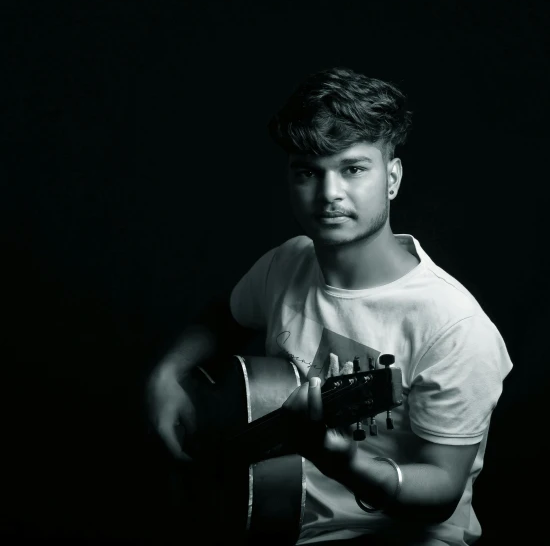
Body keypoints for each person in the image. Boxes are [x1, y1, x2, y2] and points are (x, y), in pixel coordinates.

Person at [146, 67, 513, 546]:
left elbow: (442, 489)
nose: (329, 193)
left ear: (393, 178)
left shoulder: (453, 326)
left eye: (354, 168)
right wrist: (167, 375)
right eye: (308, 172)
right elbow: (221, 318)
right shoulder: (287, 262)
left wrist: (344, 461)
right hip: (268, 517)